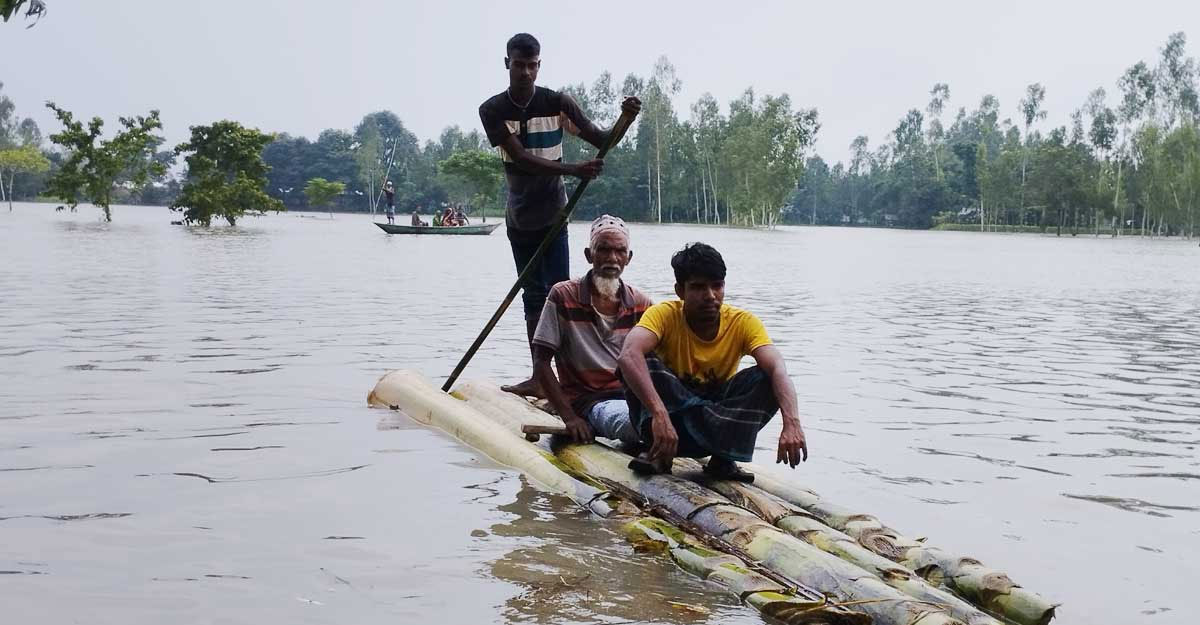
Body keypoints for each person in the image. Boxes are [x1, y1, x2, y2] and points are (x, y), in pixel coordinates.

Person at [479, 32, 641, 398]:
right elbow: (520, 157)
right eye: (518, 65)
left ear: (539, 66)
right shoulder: (492, 110)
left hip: (554, 215)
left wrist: (625, 119)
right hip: (521, 218)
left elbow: (602, 140)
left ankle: (566, 381)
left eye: (532, 65)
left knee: (560, 297)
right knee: (532, 298)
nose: (525, 72)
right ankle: (540, 377)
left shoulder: (557, 103)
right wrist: (573, 170)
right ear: (507, 64)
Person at [617, 243, 808, 482]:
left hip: (718, 421)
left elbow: (777, 367)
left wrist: (792, 422)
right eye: (698, 287)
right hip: (671, 425)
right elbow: (628, 355)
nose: (710, 296)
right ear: (680, 291)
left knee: (766, 376)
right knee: (641, 363)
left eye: (716, 286)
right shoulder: (664, 314)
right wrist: (659, 414)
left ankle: (722, 456)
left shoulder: (742, 322)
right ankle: (663, 450)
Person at [532, 215, 653, 446]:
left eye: (620, 251)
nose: (612, 259)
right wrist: (570, 417)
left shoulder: (641, 303)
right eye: (603, 250)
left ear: (629, 258)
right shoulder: (563, 296)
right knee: (640, 425)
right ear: (589, 255)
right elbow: (541, 362)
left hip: (633, 398)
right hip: (591, 402)